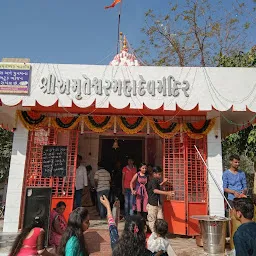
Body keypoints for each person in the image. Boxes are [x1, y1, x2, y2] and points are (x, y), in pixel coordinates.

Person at [147, 166, 175, 232]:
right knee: (152, 222)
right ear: (154, 174)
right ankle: (154, 235)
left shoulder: (156, 181)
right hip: (152, 205)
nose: (160, 175)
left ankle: (159, 234)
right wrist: (167, 193)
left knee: (160, 220)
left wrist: (164, 183)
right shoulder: (153, 180)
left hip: (158, 204)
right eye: (159, 174)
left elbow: (159, 186)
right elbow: (155, 190)